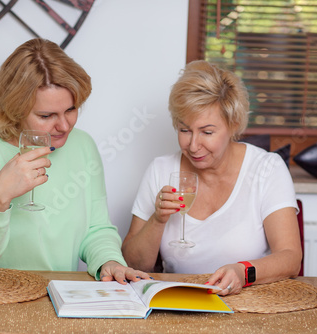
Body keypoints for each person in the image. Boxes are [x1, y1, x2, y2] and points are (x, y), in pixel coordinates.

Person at [0, 38, 149, 284]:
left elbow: (96, 229)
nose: (64, 125)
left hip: (56, 299)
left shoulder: (83, 146)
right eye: (46, 115)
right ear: (15, 108)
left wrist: (110, 261)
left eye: (71, 110)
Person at [122, 60, 302, 295]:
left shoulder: (266, 169)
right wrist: (158, 219)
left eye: (207, 132)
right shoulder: (161, 169)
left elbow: (290, 258)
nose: (193, 145)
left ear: (233, 125)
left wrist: (242, 272)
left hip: (250, 304)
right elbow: (133, 265)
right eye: (184, 130)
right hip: (179, 302)